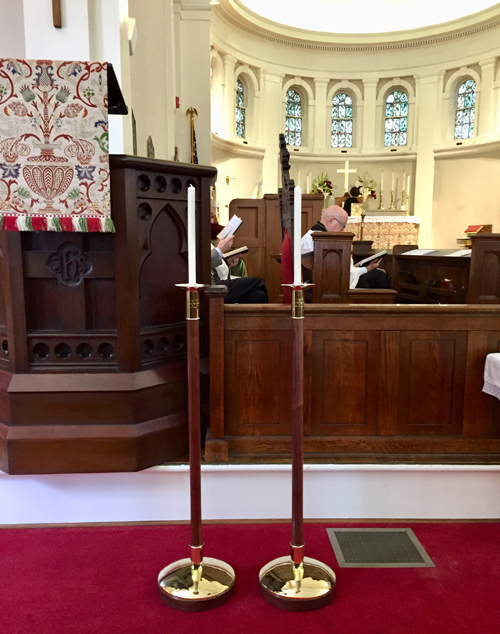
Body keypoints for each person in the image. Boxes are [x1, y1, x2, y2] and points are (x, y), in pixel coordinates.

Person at [301, 205, 391, 289]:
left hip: (323, 283)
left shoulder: (310, 236)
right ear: (331, 221)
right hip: (332, 287)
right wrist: (367, 268)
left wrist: (354, 267)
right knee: (379, 276)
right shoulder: (324, 241)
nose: (343, 229)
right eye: (343, 225)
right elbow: (343, 275)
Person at [211, 235, 268, 303]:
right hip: (212, 285)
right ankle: (270, 313)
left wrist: (227, 262)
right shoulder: (197, 240)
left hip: (217, 280)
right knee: (257, 281)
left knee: (258, 295)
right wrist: (219, 250)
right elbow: (202, 264)